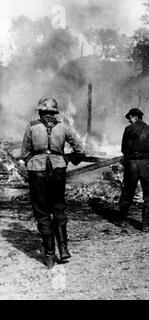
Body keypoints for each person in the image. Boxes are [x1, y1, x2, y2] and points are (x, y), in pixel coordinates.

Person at [21, 98, 85, 269]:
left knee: (41, 211)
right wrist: (68, 159)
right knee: (58, 207)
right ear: (55, 113)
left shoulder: (32, 126)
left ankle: (49, 255)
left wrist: (33, 161)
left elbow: (24, 152)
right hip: (58, 169)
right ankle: (63, 248)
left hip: (38, 171)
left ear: (40, 112)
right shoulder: (63, 127)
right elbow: (80, 149)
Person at [119, 108, 149, 232]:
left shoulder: (128, 130)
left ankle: (123, 220)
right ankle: (145, 224)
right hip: (146, 164)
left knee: (127, 191)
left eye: (129, 118)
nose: (129, 121)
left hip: (132, 164)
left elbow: (123, 149)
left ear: (135, 117)